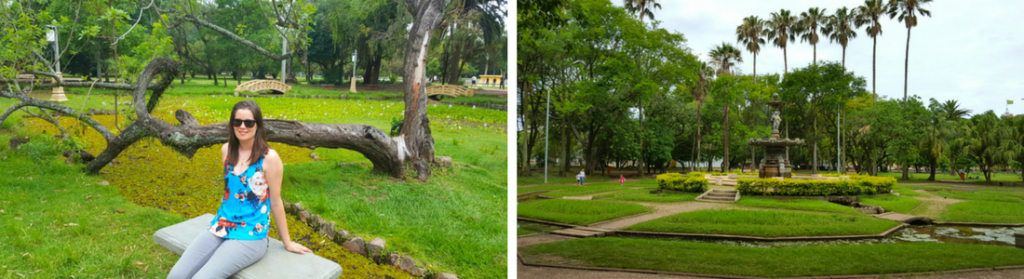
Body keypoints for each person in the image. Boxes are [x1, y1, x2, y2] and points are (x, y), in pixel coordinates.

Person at [168, 100, 312, 279]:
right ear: (232, 124)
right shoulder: (226, 151)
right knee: (176, 276)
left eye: (249, 122)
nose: (242, 126)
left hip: (251, 234)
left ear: (257, 126)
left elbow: (275, 201)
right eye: (237, 122)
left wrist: (288, 242)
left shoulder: (269, 158)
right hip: (220, 226)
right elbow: (231, 193)